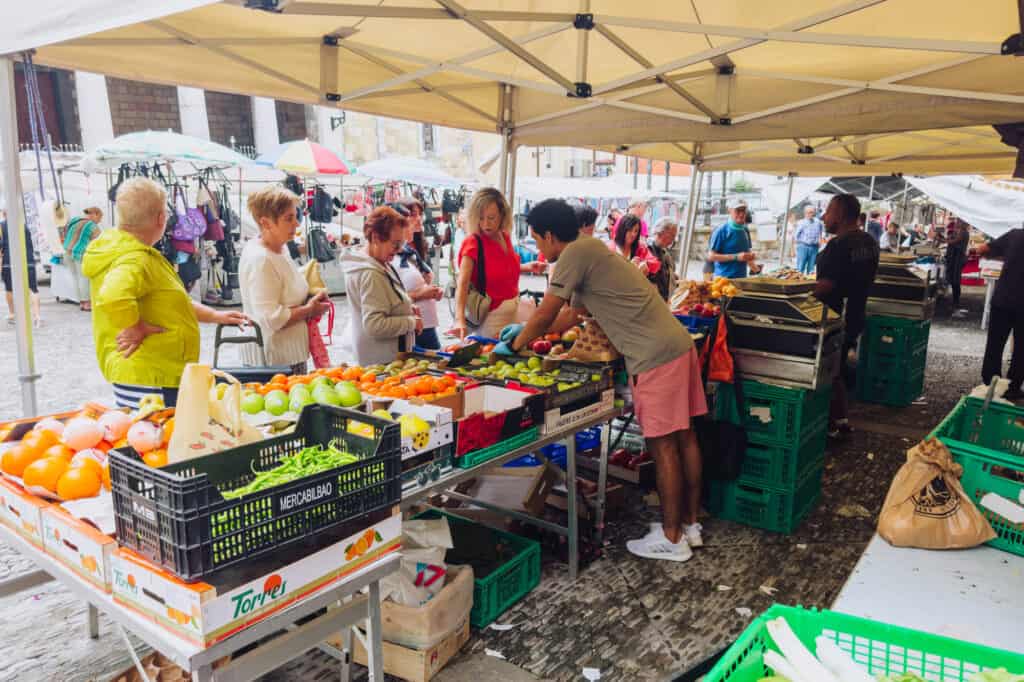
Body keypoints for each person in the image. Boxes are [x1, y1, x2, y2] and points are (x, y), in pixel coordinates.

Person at [497, 199, 706, 562]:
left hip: (654, 355)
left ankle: (672, 540)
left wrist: (516, 343)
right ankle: (689, 524)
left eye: (535, 239)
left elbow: (547, 311)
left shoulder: (574, 254)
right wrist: (526, 332)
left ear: (549, 235)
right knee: (684, 437)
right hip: (676, 344)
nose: (537, 248)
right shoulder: (591, 249)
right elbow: (573, 314)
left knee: (664, 446)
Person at [83, 177, 247, 409]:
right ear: (161, 218)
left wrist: (215, 315)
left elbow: (169, 304)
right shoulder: (136, 258)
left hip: (150, 373)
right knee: (159, 440)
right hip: (151, 376)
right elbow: (113, 295)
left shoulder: (126, 251)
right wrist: (134, 325)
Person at [238, 185, 331, 374]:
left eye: (295, 216)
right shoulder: (261, 259)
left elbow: (283, 283)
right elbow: (270, 317)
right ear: (265, 223)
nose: (296, 224)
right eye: (289, 219)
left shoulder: (281, 248)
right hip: (274, 362)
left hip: (289, 355)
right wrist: (309, 310)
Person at [814, 194, 880, 439]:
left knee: (827, 371)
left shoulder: (838, 246)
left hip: (833, 319)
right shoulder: (869, 242)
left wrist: (795, 290)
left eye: (828, 211)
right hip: (855, 316)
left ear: (840, 214)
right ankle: (841, 420)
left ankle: (829, 424)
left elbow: (826, 286)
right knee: (838, 370)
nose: (824, 217)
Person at [448, 187, 543, 340]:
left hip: (512, 312)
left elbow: (501, 269)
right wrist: (459, 319)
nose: (485, 223)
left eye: (491, 218)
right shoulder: (473, 242)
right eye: (481, 218)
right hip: (490, 318)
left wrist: (527, 267)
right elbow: (462, 284)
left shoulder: (504, 236)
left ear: (502, 216)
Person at [342, 206, 422, 366]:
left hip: (383, 359)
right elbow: (374, 325)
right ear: (376, 237)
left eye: (401, 244)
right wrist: (411, 322)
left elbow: (386, 300)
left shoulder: (378, 262)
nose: (399, 250)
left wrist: (405, 307)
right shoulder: (370, 273)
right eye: (395, 244)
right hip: (382, 362)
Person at [976, 228, 1024, 401]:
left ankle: (991, 383)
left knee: (995, 343)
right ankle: (1013, 387)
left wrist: (1006, 257)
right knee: (1021, 349)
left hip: (1003, 300)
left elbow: (982, 250)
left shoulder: (1015, 235)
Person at [393, 201, 443, 349]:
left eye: (419, 214)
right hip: (411, 325)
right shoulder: (390, 256)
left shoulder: (410, 251)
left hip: (425, 323)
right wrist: (422, 293)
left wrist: (431, 291)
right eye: (412, 216)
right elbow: (390, 300)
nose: (417, 219)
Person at [0, 216, 42, 327]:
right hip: (28, 260)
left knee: (9, 289)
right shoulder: (23, 225)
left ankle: (13, 313)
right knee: (33, 289)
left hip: (9, 262)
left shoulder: (2, 226)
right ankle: (37, 316)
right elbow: (30, 244)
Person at [63, 206, 104, 311]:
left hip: (67, 252)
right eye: (100, 217)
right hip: (79, 253)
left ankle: (81, 302)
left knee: (75, 278)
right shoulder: (92, 226)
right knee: (84, 278)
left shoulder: (74, 221)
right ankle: (87, 303)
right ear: (95, 214)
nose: (100, 221)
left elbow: (65, 234)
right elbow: (100, 242)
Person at [708, 203, 760, 279]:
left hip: (741, 280)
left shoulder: (745, 229)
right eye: (738, 211)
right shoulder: (721, 230)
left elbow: (746, 256)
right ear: (730, 211)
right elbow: (711, 256)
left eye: (743, 211)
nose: (741, 214)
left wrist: (758, 272)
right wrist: (736, 257)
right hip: (723, 281)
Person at [943, 217, 970, 317]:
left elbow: (953, 242)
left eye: (959, 221)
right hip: (954, 260)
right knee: (954, 282)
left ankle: (956, 307)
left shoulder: (963, 233)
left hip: (957, 260)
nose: (956, 222)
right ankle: (955, 305)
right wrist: (944, 237)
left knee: (955, 282)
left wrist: (940, 238)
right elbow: (950, 239)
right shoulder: (958, 231)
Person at [648, 217, 678, 300]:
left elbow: (669, 272)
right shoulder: (648, 249)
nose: (673, 240)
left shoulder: (663, 251)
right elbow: (651, 280)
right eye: (672, 235)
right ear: (661, 232)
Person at [793, 205, 824, 275]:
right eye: (809, 212)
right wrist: (797, 246)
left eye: (812, 212)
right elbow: (795, 235)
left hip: (814, 247)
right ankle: (798, 283)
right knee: (800, 267)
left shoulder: (818, 222)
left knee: (811, 268)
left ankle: (809, 284)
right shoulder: (801, 223)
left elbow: (821, 233)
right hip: (803, 246)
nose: (811, 214)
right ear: (805, 213)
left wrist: (820, 241)